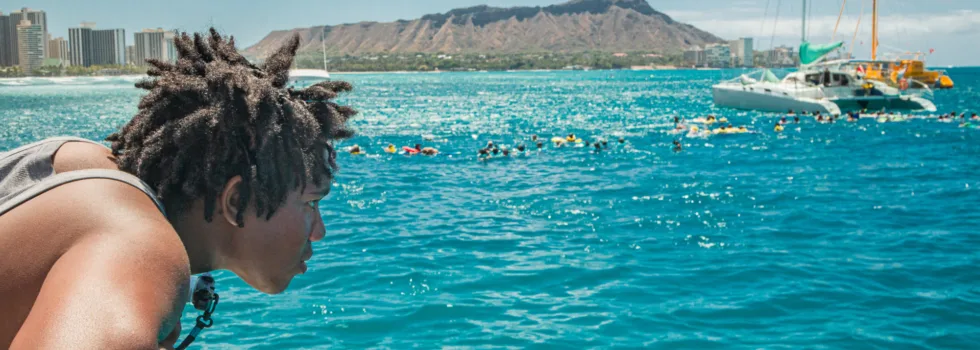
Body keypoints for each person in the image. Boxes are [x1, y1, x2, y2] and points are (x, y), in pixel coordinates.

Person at [0, 29, 357, 349]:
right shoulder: (138, 250)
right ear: (236, 201)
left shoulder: (81, 166)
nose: (320, 232)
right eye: (311, 203)